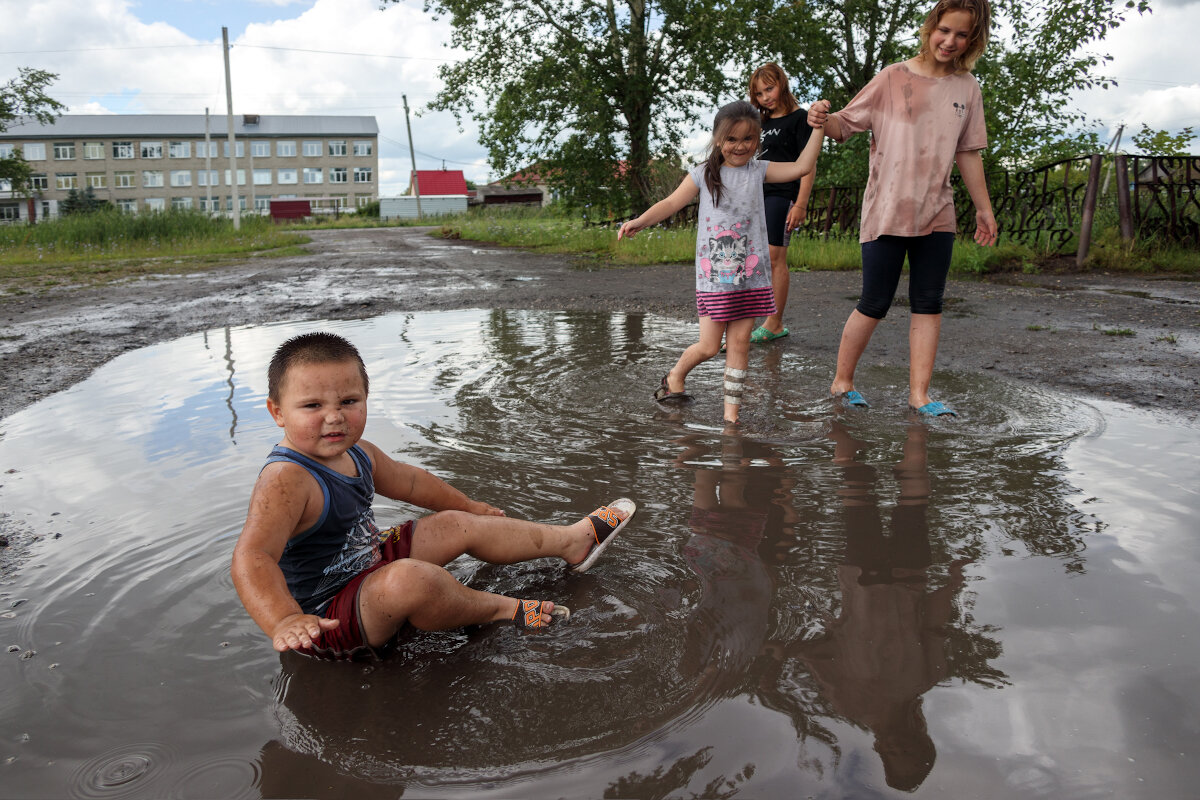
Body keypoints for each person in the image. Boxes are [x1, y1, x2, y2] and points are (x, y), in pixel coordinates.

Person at [231, 332, 636, 659]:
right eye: (312, 405)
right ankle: (504, 608)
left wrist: (469, 508)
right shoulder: (286, 479)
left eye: (349, 401)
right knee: (410, 579)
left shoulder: (359, 452)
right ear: (277, 412)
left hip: (369, 565)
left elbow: (410, 482)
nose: (334, 416)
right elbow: (252, 556)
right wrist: (284, 620)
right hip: (329, 619)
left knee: (453, 524)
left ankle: (572, 542)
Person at [808, 0, 998, 417]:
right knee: (874, 301)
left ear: (973, 39)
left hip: (938, 214)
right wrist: (822, 116)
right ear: (931, 27)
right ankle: (842, 383)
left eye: (961, 34)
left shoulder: (967, 87)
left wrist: (983, 209)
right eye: (944, 30)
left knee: (929, 302)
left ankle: (920, 395)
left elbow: (969, 153)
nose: (950, 41)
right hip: (887, 211)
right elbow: (845, 125)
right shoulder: (893, 77)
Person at [618, 100, 823, 424]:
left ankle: (731, 418)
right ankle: (674, 378)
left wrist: (818, 127)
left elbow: (801, 167)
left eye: (748, 139)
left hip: (750, 277)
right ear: (718, 139)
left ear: (757, 140)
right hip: (714, 278)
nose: (740, 146)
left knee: (739, 344)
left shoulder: (760, 170)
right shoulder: (703, 175)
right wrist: (640, 221)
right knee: (710, 346)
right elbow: (671, 202)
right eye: (732, 139)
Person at [748, 62, 817, 345]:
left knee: (775, 258)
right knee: (753, 260)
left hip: (782, 194)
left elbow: (808, 165)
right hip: (754, 195)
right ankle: (744, 323)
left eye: (769, 88)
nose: (766, 97)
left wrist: (800, 203)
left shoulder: (801, 118)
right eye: (759, 94)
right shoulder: (758, 122)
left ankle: (775, 323)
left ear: (782, 83)